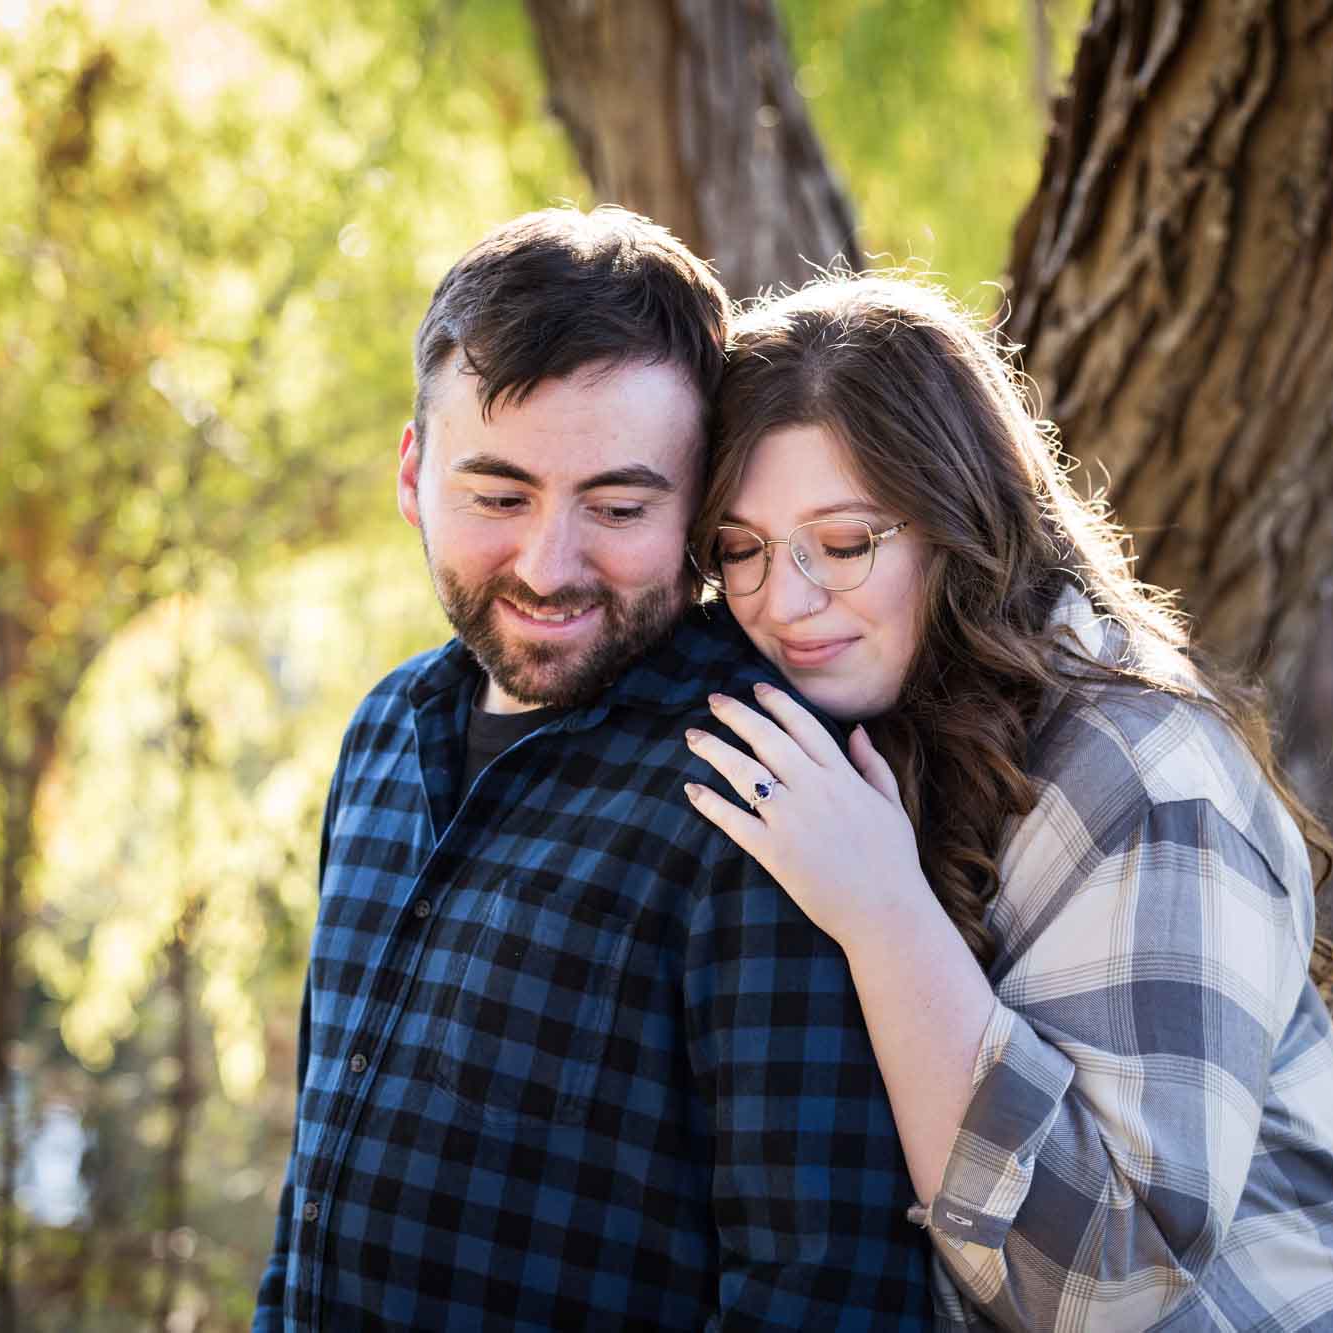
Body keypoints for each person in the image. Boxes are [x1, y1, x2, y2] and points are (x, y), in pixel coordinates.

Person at [682, 273, 1333, 1331]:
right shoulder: (853, 740)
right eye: (740, 549)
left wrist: (883, 918)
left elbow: (1108, 1276)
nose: (784, 599)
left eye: (844, 541)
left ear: (953, 521)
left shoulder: (1139, 775)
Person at [254, 211, 933, 1331]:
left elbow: (823, 1291)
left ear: (700, 509)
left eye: (618, 507)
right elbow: (312, 1186)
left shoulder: (760, 784)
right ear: (413, 474)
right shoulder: (381, 733)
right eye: (498, 495)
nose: (548, 565)